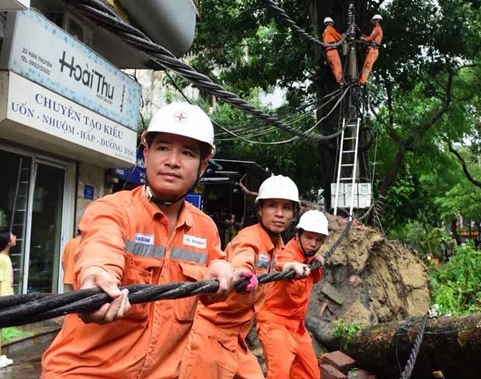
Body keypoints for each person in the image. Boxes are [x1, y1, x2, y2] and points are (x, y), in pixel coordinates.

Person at [41, 102, 249, 378]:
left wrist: (223, 273)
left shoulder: (205, 228)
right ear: (146, 152)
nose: (172, 161)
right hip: (84, 372)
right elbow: (100, 248)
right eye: (163, 147)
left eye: (187, 153)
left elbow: (213, 287)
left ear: (203, 164)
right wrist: (96, 277)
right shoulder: (112, 209)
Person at [179, 175, 301, 379]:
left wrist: (285, 266)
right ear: (260, 210)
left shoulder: (276, 245)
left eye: (286, 208)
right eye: (272, 206)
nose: (279, 214)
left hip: (236, 338)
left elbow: (266, 265)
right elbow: (243, 258)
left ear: (294, 214)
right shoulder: (250, 237)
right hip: (210, 334)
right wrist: (241, 273)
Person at [257, 210, 328, 379]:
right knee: (280, 374)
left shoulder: (308, 257)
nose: (313, 244)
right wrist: (288, 267)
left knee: (311, 374)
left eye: (318, 240)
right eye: (309, 237)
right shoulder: (288, 254)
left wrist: (316, 263)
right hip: (275, 323)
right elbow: (279, 263)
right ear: (298, 235)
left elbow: (314, 279)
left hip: (297, 326)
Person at [0, 227, 16, 369]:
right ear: (7, 241)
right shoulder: (1, 259)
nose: (15, 237)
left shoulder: (5, 257)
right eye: (12, 235)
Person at [358, 14, 383, 86]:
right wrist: (365, 37)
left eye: (374, 21)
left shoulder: (377, 29)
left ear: (377, 21)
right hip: (373, 50)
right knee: (366, 65)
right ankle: (361, 80)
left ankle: (361, 81)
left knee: (367, 66)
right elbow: (371, 37)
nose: (372, 22)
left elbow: (370, 38)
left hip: (373, 51)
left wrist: (363, 39)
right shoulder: (379, 29)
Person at [322, 17, 345, 86]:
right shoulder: (330, 29)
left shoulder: (324, 32)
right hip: (332, 51)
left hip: (328, 52)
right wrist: (343, 36)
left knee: (334, 68)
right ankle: (341, 82)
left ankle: (339, 82)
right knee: (337, 66)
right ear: (330, 23)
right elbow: (339, 37)